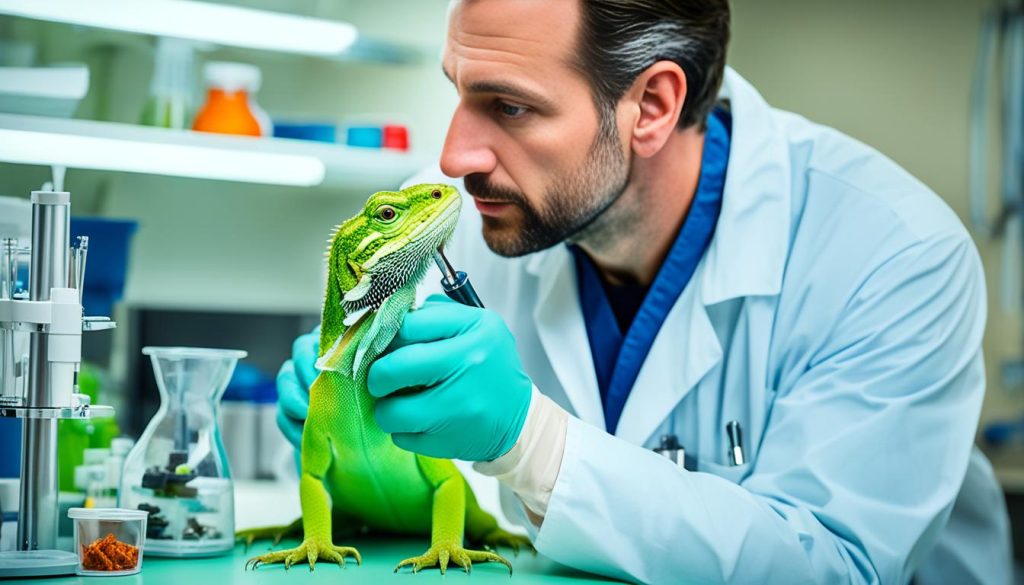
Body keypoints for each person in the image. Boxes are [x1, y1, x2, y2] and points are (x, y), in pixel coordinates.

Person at [276, 0, 1013, 583]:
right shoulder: (456, 220)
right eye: (460, 90)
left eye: (510, 107)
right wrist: (342, 410)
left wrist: (530, 442)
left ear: (653, 105)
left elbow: (834, 566)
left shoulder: (893, 253)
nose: (454, 155)